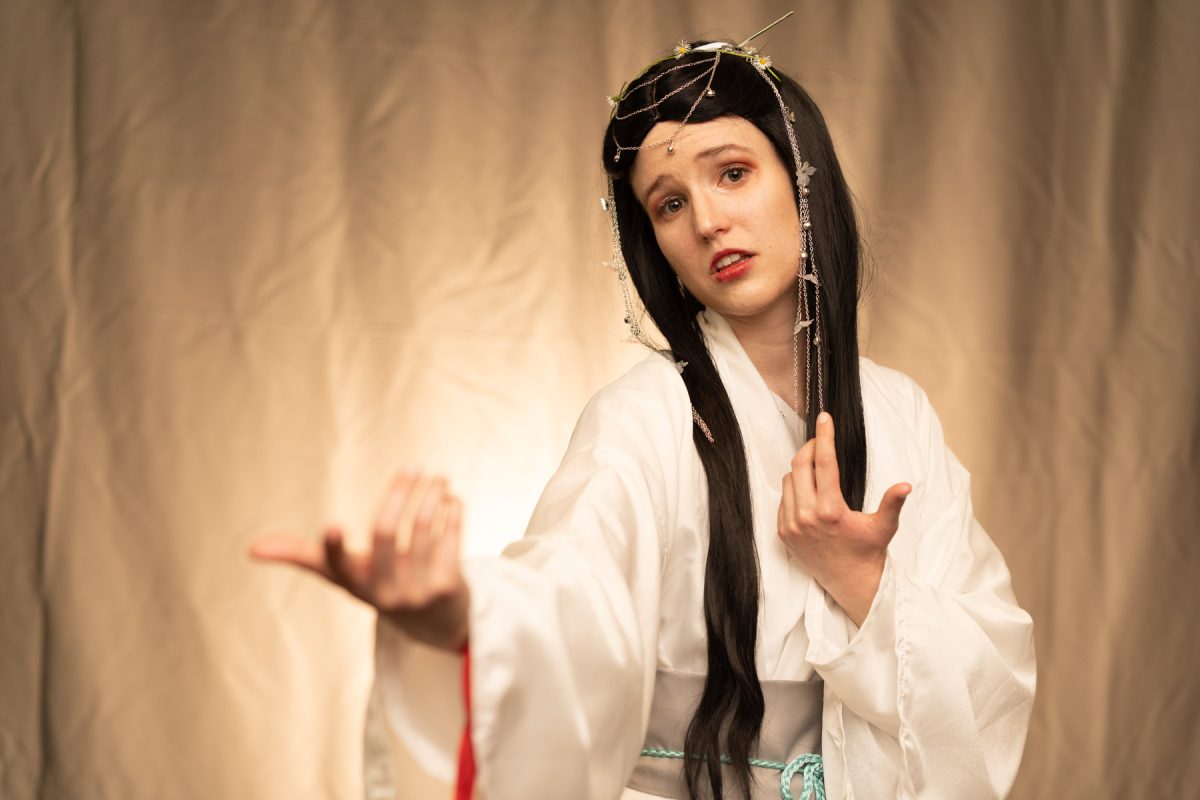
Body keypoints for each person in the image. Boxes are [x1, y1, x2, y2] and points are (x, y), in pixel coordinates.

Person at [251, 22, 1036, 800]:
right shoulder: (644, 417)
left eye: (733, 173)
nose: (707, 222)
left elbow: (992, 673)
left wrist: (862, 581)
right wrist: (463, 619)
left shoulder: (902, 415)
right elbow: (571, 601)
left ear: (803, 178)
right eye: (669, 204)